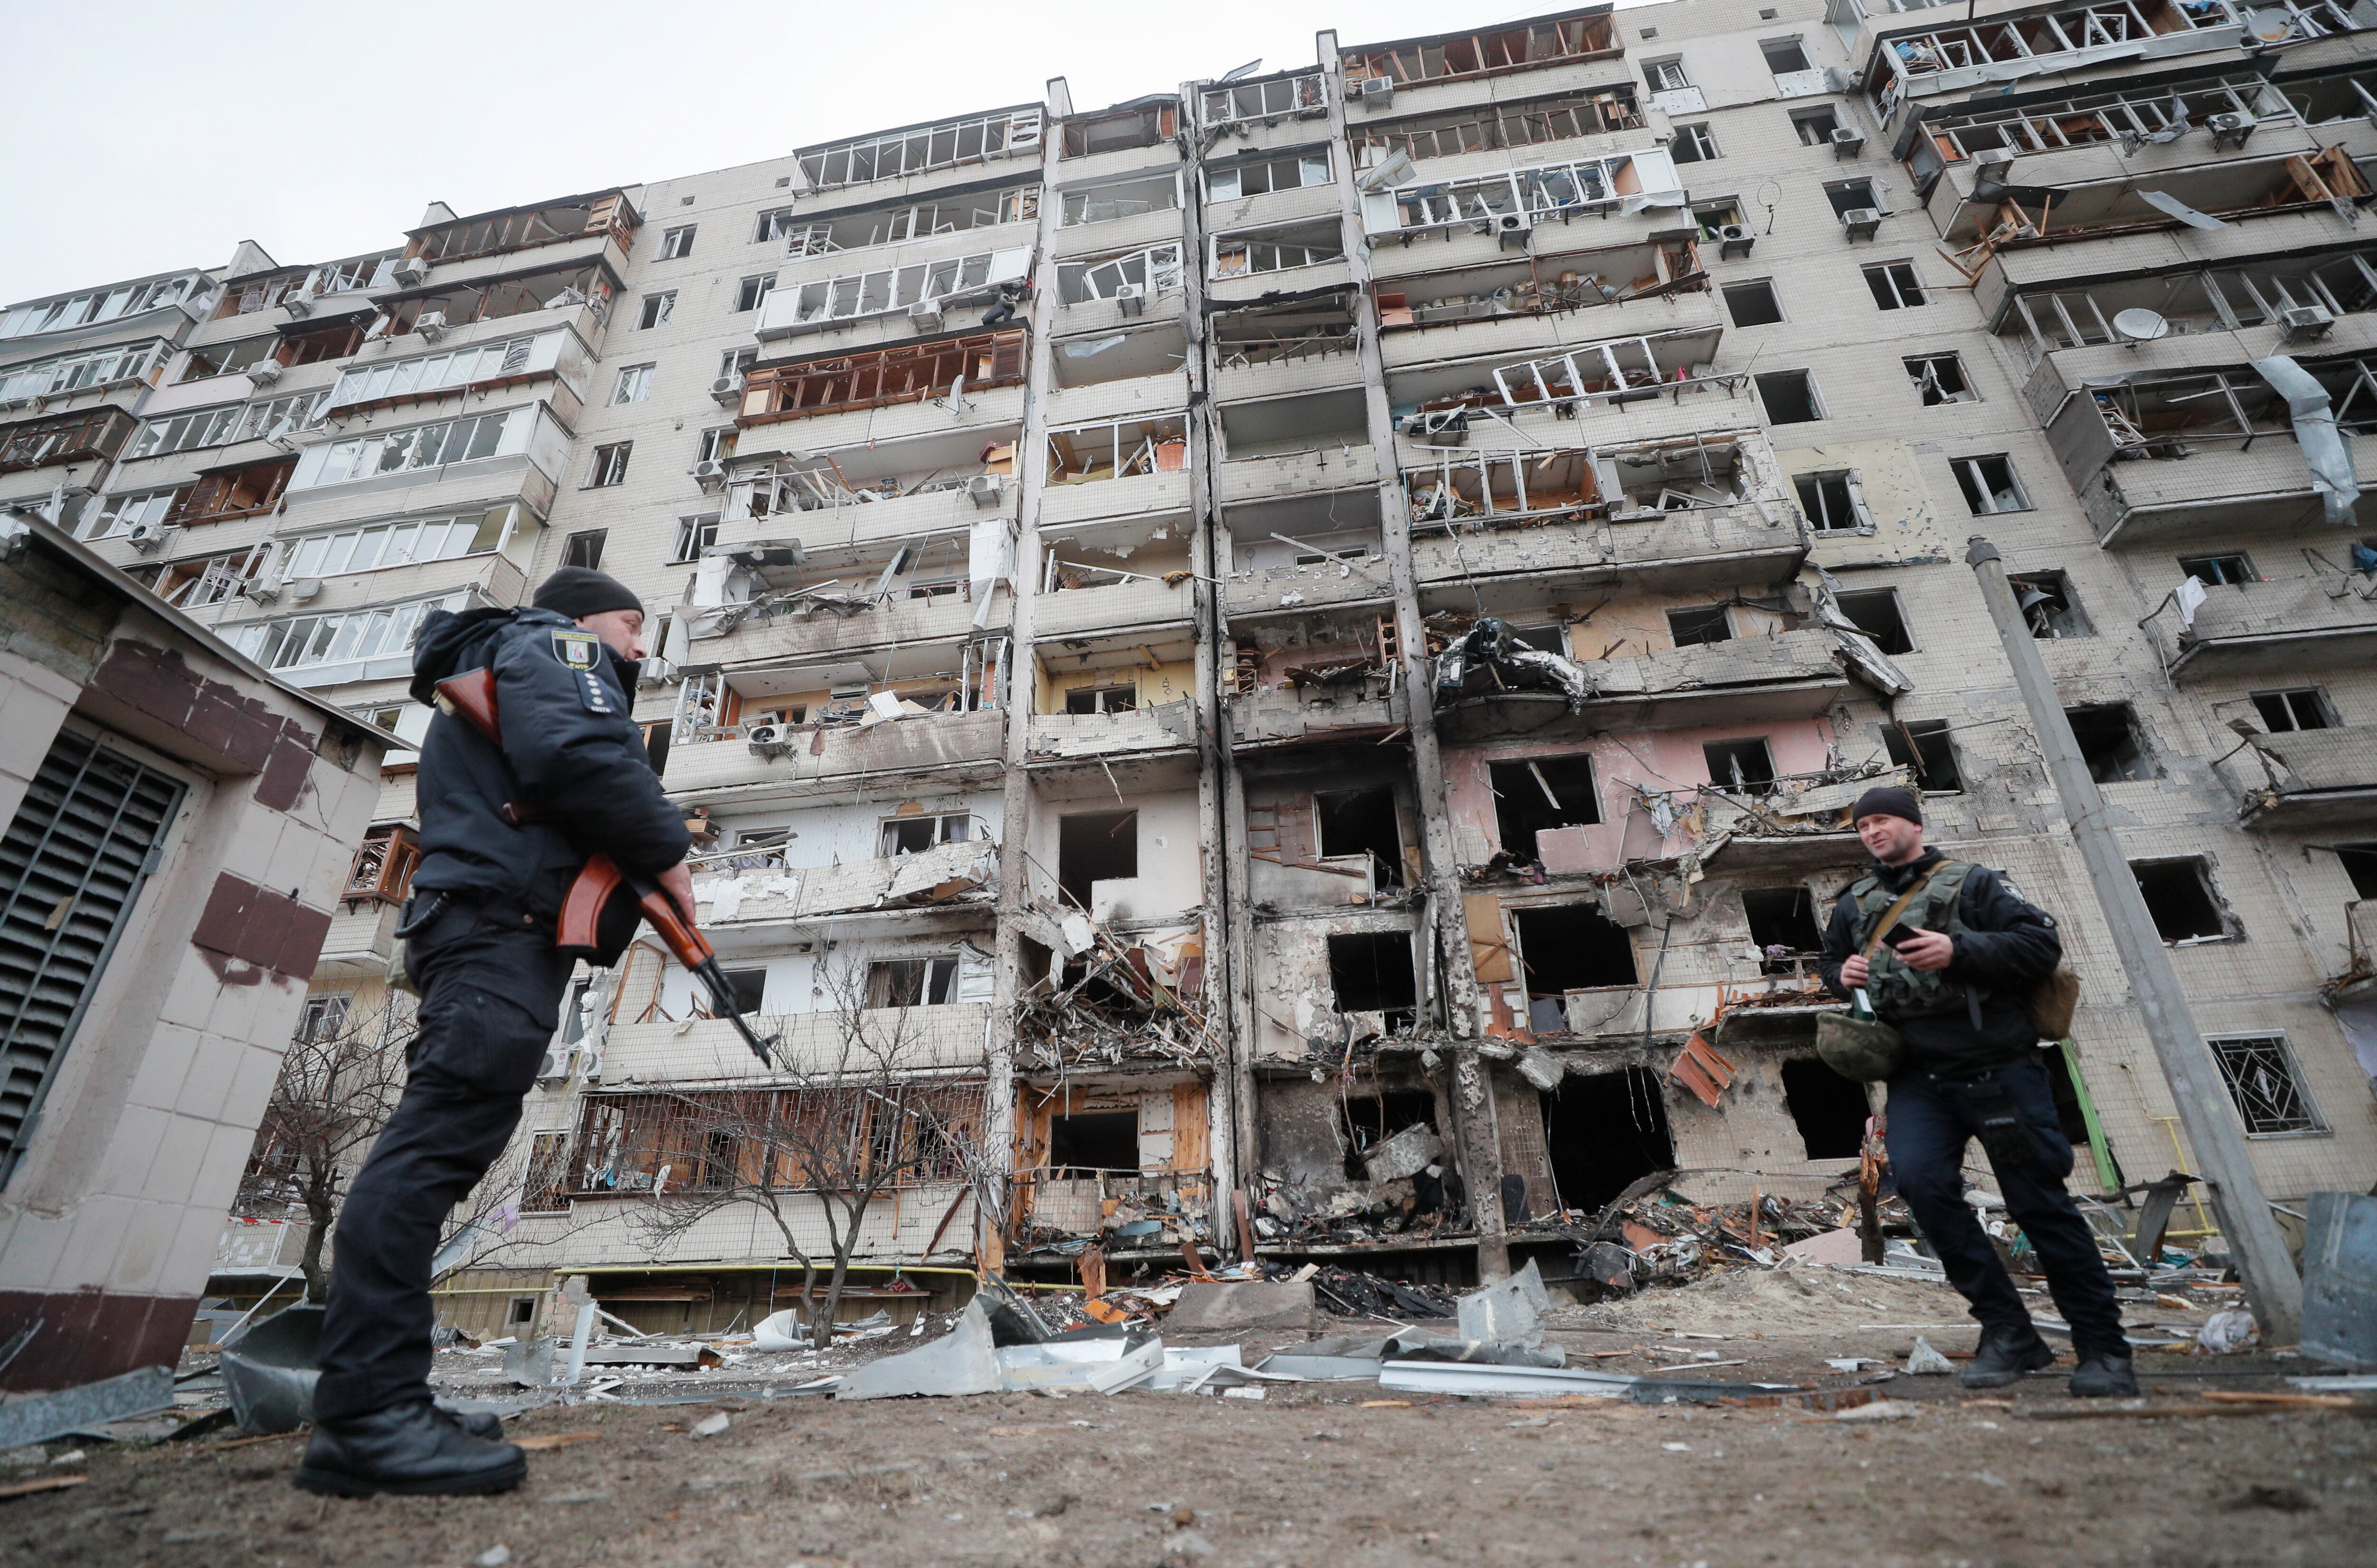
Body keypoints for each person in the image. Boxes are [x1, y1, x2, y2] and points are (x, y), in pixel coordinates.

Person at [297, 567, 695, 1497]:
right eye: (631, 626)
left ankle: (385, 1397)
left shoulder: (508, 669)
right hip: (494, 930)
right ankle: (367, 1417)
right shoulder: (554, 647)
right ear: (584, 618)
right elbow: (582, 755)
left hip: (488, 927)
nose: (639, 649)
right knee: (430, 1150)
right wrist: (668, 854)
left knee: (440, 1146)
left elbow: (557, 784)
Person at [1817, 786, 2136, 1399]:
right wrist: (1842, 976)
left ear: (1913, 823)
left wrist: (1958, 950)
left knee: (2038, 1204)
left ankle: (2103, 1349)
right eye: (1863, 827)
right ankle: (2009, 1332)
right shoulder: (1855, 902)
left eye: (1882, 821)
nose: (1872, 833)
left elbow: (2040, 945)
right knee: (1923, 1188)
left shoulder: (1975, 883)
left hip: (1997, 1068)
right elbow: (1832, 963)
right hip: (1916, 1077)